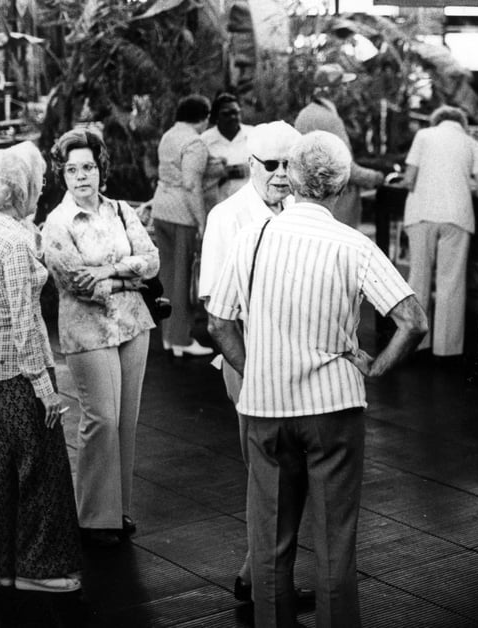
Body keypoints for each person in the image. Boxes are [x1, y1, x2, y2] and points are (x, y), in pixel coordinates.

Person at [206, 130, 428, 628]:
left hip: (266, 409)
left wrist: (255, 369)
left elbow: (219, 323)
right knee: (334, 544)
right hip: (333, 409)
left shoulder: (251, 238)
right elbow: (413, 321)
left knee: (269, 545)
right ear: (340, 187)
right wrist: (377, 367)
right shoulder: (353, 245)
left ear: (293, 178)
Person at [198, 120, 307, 602]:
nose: (282, 174)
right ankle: (265, 581)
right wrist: (249, 370)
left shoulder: (299, 209)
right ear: (250, 164)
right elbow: (215, 308)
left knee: (288, 474)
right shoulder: (227, 217)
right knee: (268, 475)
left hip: (295, 361)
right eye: (272, 165)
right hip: (250, 359)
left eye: (290, 164)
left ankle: (259, 574)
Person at [43, 128, 161, 548]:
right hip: (87, 332)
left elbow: (152, 260)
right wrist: (129, 279)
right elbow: (76, 282)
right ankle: (93, 518)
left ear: (100, 168)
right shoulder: (57, 223)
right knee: (102, 421)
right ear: (62, 174)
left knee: (125, 422)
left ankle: (119, 512)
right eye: (72, 169)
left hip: (133, 325)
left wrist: (110, 272)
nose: (81, 176)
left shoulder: (121, 211)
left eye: (88, 167)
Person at [0, 144, 83, 593]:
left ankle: (7, 564)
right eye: (38, 185)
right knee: (41, 470)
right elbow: (25, 325)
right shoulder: (16, 242)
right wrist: (46, 389)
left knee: (8, 468)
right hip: (21, 371)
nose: (42, 191)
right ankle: (39, 569)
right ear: (19, 189)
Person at [401, 105, 478, 358]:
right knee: (451, 283)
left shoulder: (423, 136)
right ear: (462, 124)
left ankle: (414, 344)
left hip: (421, 213)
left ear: (436, 120)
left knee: (418, 279)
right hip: (457, 216)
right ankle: (446, 351)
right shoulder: (471, 143)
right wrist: (463, 185)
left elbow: (409, 179)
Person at [151, 94, 214, 357]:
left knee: (167, 277)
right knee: (183, 279)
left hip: (161, 210)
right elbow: (191, 184)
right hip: (182, 216)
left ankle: (169, 336)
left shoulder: (168, 136)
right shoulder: (194, 142)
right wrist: (202, 221)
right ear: (203, 117)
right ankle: (181, 340)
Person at [293, 63, 384, 227]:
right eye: (343, 86)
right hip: (336, 206)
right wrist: (376, 177)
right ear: (332, 91)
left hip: (310, 202)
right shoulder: (330, 120)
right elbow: (347, 168)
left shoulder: (305, 114)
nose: (346, 90)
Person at [201, 92, 254, 205]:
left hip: (250, 202)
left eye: (236, 112)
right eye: (226, 114)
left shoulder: (253, 134)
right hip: (218, 204)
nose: (233, 117)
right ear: (216, 116)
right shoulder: (205, 141)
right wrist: (222, 172)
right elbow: (199, 174)